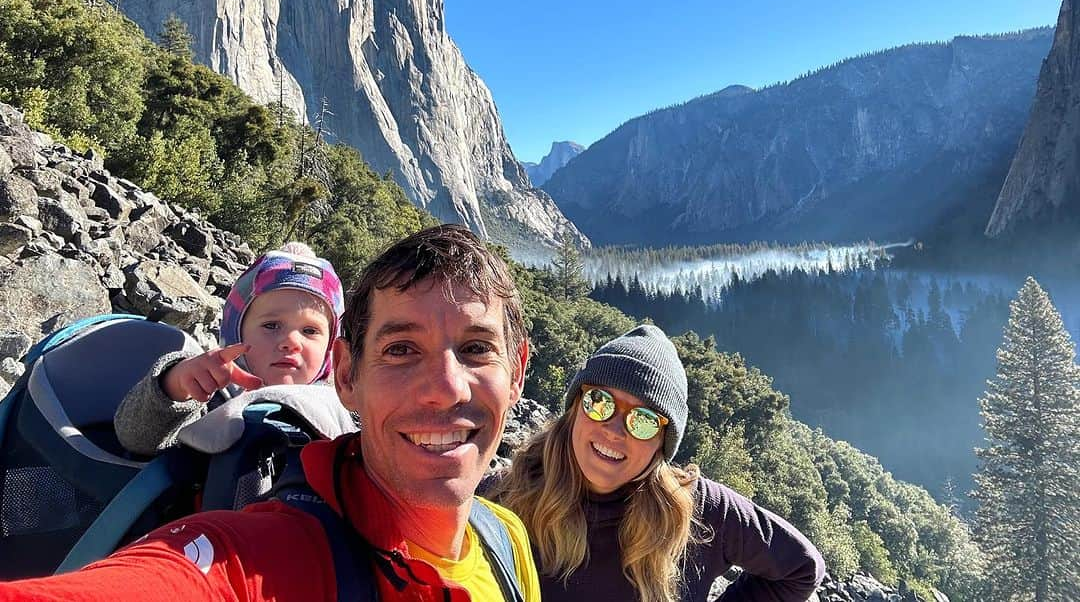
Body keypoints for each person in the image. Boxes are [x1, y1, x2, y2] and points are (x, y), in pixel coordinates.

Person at [0, 224, 541, 601]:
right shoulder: (213, 397)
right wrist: (172, 385)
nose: (443, 390)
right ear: (352, 374)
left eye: (475, 349)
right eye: (400, 349)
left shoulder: (505, 541)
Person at [491, 324, 826, 602]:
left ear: (663, 445)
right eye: (600, 401)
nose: (615, 430)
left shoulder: (697, 512)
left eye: (644, 420)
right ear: (576, 406)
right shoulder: (504, 497)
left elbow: (801, 568)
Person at [114, 241, 346, 455]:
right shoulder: (211, 395)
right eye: (271, 325)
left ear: (331, 348)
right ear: (235, 331)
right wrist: (176, 384)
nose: (291, 342)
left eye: (310, 331)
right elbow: (135, 438)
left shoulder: (341, 411)